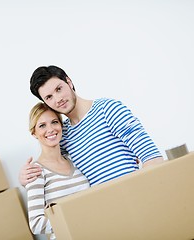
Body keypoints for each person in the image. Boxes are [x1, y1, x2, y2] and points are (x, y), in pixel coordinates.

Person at [19, 65, 164, 187]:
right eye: (49, 97)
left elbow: (152, 158)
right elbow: (52, 164)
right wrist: (24, 177)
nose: (58, 99)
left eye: (59, 89)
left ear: (69, 82)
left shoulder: (108, 109)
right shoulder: (63, 135)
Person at [26, 102, 90, 240]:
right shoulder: (35, 172)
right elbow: (36, 224)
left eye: (54, 122)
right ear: (34, 133)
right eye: (42, 125)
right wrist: (76, 221)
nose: (50, 129)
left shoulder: (75, 160)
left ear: (61, 126)